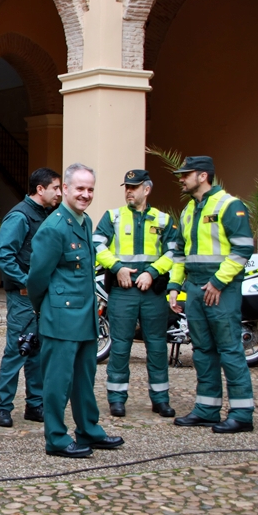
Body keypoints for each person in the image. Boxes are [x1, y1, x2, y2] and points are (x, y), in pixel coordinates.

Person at [28, 163, 124, 458]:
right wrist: (44, 310)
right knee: (58, 380)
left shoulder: (84, 221)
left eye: (90, 189)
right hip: (61, 315)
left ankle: (88, 429)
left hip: (84, 315)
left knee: (85, 376)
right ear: (65, 189)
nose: (85, 195)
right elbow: (37, 278)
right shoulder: (55, 227)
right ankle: (56, 437)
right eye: (80, 188)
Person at [168, 156, 255, 433]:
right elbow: (181, 254)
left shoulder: (230, 205)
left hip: (220, 289)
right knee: (203, 351)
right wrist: (174, 287)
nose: (181, 179)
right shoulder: (189, 210)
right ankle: (207, 409)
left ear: (203, 176)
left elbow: (242, 250)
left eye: (186, 174)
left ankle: (242, 414)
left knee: (229, 349)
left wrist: (217, 282)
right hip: (194, 288)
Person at [93, 170, 178, 418]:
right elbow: (97, 244)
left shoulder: (163, 219)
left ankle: (160, 400)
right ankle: (117, 399)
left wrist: (152, 272)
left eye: (134, 187)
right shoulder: (113, 216)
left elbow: (174, 252)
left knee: (157, 347)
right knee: (120, 347)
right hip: (123, 292)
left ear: (146, 189)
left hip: (153, 293)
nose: (129, 191)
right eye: (127, 187)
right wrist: (117, 267)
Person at [0, 168, 61, 428]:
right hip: (23, 297)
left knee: (38, 352)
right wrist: (26, 282)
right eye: (55, 187)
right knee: (17, 349)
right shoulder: (21, 215)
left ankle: (35, 404)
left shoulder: (47, 214)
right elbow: (3, 255)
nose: (59, 192)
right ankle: (4, 407)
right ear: (40, 189)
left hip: (42, 296)